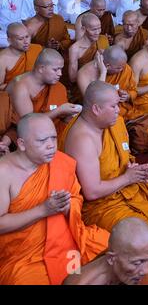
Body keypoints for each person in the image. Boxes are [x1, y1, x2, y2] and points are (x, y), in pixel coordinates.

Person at [0, 113, 109, 285]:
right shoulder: (4, 172)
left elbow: (76, 198)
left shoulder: (61, 162)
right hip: (24, 253)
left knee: (115, 251)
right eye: (42, 141)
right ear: (21, 144)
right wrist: (43, 210)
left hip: (65, 240)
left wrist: (67, 206)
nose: (51, 146)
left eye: (53, 138)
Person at [60, 81, 148, 233]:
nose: (118, 111)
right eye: (113, 106)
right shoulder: (83, 140)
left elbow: (124, 154)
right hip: (100, 204)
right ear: (96, 109)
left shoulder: (113, 122)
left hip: (121, 184)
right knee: (140, 233)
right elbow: (91, 192)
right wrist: (127, 178)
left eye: (118, 105)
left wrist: (133, 169)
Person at [63, 217, 148, 285]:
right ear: (111, 258)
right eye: (137, 263)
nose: (145, 270)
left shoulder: (138, 258)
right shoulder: (83, 282)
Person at [11, 48, 81, 136]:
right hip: (33, 137)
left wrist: (69, 114)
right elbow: (29, 124)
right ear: (41, 68)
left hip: (56, 133)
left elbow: (63, 119)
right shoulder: (22, 88)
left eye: (61, 69)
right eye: (55, 70)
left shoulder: (59, 87)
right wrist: (59, 110)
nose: (60, 74)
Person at [77, 46, 138, 121]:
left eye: (123, 67)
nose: (122, 70)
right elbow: (95, 102)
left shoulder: (123, 67)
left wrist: (128, 96)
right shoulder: (84, 74)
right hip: (99, 116)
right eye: (119, 68)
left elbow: (134, 90)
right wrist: (103, 73)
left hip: (123, 111)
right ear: (108, 66)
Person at [68, 13, 109, 85]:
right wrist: (95, 62)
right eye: (93, 30)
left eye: (99, 28)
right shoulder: (75, 49)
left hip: (103, 77)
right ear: (83, 29)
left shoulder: (102, 40)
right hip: (85, 84)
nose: (97, 32)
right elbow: (73, 78)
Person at [0, 23, 42, 90]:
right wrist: (21, 84)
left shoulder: (37, 49)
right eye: (20, 39)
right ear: (9, 41)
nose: (26, 42)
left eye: (27, 37)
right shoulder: (2, 59)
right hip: (13, 94)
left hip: (37, 89)